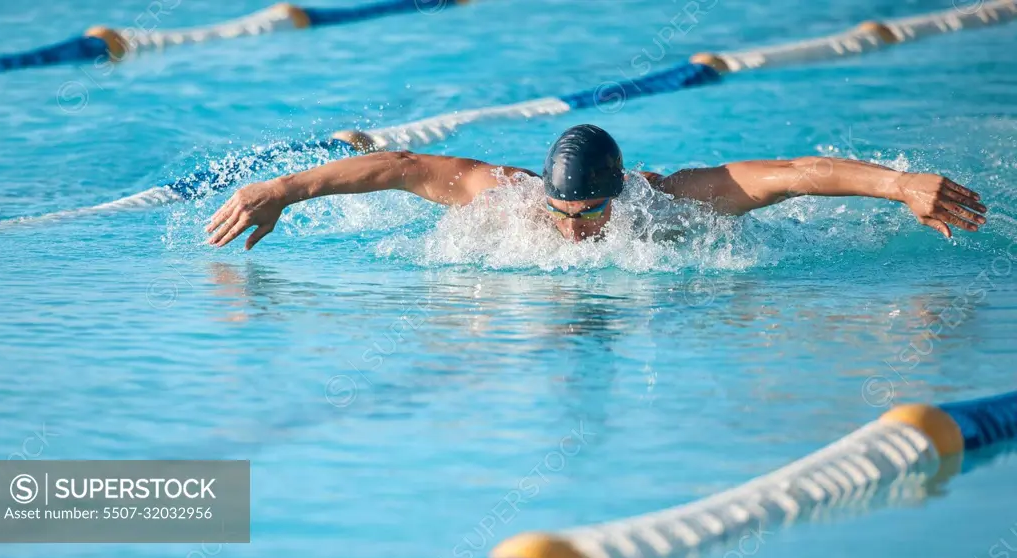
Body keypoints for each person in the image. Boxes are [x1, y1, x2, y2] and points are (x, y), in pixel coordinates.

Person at [206, 124, 986, 250]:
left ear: (619, 192)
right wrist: (284, 187)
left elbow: (790, 175)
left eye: (591, 213)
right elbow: (402, 168)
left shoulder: (669, 200)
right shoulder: (507, 196)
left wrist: (897, 185)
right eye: (564, 212)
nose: (575, 231)